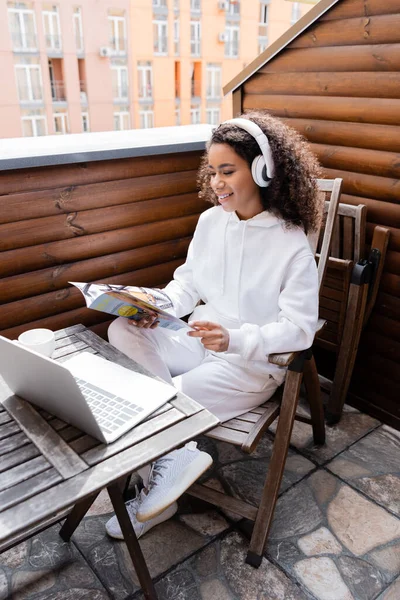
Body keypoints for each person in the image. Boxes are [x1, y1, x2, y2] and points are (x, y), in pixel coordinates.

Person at [105, 111, 322, 540]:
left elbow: (300, 329)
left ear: (263, 170)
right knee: (122, 330)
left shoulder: (290, 241)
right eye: (213, 171)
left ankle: (156, 486)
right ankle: (175, 453)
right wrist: (156, 304)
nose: (217, 182)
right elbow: (187, 284)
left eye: (228, 171)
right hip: (198, 336)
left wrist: (237, 338)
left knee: (156, 405)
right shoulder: (210, 222)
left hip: (246, 365)